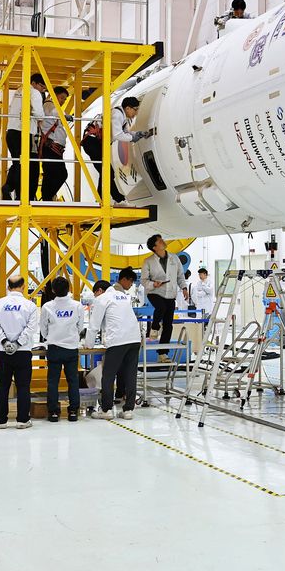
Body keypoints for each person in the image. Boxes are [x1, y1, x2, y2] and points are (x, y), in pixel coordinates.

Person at [87, 268, 142, 420]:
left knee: (108, 375)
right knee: (130, 374)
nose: (94, 296)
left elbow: (94, 325)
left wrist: (88, 344)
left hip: (118, 340)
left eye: (95, 293)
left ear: (100, 291)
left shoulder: (102, 298)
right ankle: (128, 410)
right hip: (134, 339)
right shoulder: (124, 296)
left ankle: (106, 410)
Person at [0, 277, 39, 429]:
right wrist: (17, 343)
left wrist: (5, 342)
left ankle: (0, 421)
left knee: (2, 386)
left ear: (8, 286)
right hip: (23, 352)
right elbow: (31, 329)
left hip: (3, 352)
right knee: (23, 386)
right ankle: (23, 420)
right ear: (23, 287)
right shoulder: (30, 306)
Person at [81, 96, 144, 204]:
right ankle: (118, 199)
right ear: (128, 108)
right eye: (135, 109)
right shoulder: (117, 114)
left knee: (105, 171)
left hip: (94, 142)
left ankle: (102, 199)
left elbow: (124, 132)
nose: (136, 112)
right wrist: (132, 138)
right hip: (92, 142)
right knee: (107, 171)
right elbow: (118, 134)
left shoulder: (121, 116)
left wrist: (136, 134)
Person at [39, 275, 84, 422]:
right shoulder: (77, 305)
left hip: (54, 347)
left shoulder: (47, 306)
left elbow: (43, 328)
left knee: (53, 381)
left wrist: (50, 337)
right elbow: (80, 327)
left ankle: (53, 412)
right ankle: (72, 412)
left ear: (52, 290)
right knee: (73, 381)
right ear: (69, 289)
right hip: (71, 348)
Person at [2, 73, 51, 201]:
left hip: (11, 131)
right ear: (34, 83)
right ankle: (12, 189)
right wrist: (40, 120)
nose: (42, 90)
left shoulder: (19, 91)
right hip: (23, 132)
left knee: (17, 163)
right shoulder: (34, 93)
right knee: (23, 164)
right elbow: (39, 114)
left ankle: (10, 188)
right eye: (42, 87)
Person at [141, 234, 186, 362]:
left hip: (170, 293)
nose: (163, 242)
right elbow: (144, 281)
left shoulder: (174, 258)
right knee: (161, 307)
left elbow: (180, 276)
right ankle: (154, 328)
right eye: (160, 241)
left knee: (168, 325)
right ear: (154, 247)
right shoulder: (148, 261)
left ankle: (162, 354)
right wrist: (153, 284)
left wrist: (184, 288)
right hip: (155, 292)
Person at [39, 85, 71, 202]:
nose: (63, 101)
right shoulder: (49, 105)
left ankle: (47, 197)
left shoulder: (52, 107)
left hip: (54, 147)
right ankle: (47, 197)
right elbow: (54, 112)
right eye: (61, 98)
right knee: (61, 174)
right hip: (51, 147)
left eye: (64, 99)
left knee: (50, 174)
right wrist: (65, 116)